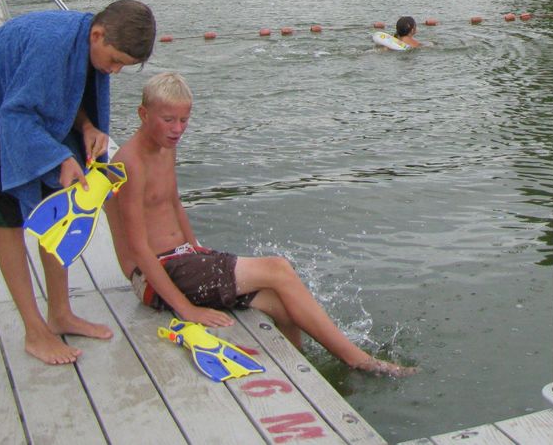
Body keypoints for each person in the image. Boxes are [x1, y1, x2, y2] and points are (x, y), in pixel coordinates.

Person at [105, 72, 416, 376]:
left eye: (184, 120)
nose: (177, 129)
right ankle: (358, 360)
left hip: (182, 258)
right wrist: (188, 310)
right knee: (277, 269)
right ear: (143, 114)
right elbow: (138, 249)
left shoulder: (164, 147)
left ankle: (302, 369)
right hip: (153, 277)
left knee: (281, 304)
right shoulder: (129, 163)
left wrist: (196, 247)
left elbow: (173, 203)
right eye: (168, 120)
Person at [0, 0, 156, 365]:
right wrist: (59, 156)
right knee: (9, 218)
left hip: (20, 107)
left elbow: (62, 97)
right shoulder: (51, 46)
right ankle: (35, 332)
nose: (114, 72)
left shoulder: (87, 45)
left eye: (123, 67)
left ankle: (60, 313)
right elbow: (15, 112)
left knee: (57, 203)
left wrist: (88, 127)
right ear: (98, 34)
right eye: (114, 62)